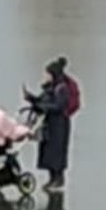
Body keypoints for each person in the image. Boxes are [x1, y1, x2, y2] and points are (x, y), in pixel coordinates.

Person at [24, 57, 74, 192]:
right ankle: (52, 179)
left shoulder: (61, 88)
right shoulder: (50, 88)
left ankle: (58, 179)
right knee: (48, 152)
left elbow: (58, 106)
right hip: (49, 125)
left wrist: (41, 106)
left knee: (56, 153)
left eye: (46, 74)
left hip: (59, 126)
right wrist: (32, 100)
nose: (44, 76)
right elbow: (43, 100)